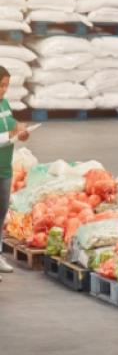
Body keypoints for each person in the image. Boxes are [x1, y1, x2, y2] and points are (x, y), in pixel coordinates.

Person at [0, 66, 30, 281]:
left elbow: (10, 127)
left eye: (6, 86)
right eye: (1, 85)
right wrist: (11, 134)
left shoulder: (5, 104)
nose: (3, 90)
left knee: (1, 215)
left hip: (5, 168)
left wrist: (21, 133)